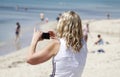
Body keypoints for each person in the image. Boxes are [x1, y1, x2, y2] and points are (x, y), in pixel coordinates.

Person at [27, 11, 88, 77]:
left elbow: (30, 59)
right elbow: (69, 49)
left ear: (62, 24)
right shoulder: (83, 43)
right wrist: (58, 37)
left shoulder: (57, 44)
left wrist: (34, 40)